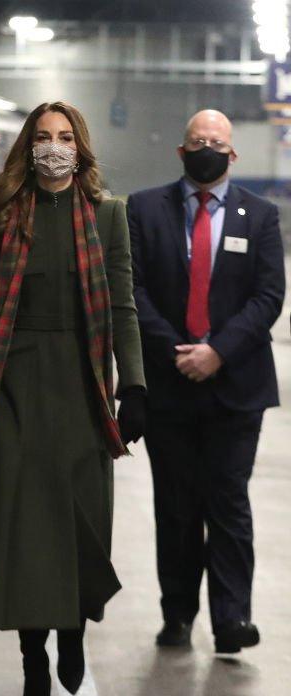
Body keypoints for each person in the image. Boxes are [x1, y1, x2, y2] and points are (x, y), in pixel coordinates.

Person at [0, 102, 145, 696]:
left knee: (83, 524)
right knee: (25, 529)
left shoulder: (109, 215)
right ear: (27, 146)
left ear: (80, 148)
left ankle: (74, 634)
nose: (54, 147)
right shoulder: (6, 215)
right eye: (43, 138)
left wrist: (134, 386)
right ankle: (34, 664)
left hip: (85, 387)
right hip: (14, 388)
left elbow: (122, 307)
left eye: (65, 138)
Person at [127, 110, 285, 655]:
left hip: (236, 388)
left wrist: (218, 351)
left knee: (228, 502)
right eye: (198, 141)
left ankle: (232, 619)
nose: (207, 150)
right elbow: (133, 289)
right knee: (175, 507)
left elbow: (268, 297)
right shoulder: (144, 210)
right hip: (170, 387)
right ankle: (177, 616)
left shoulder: (260, 217)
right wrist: (180, 351)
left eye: (217, 143)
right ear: (181, 150)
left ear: (233, 155)